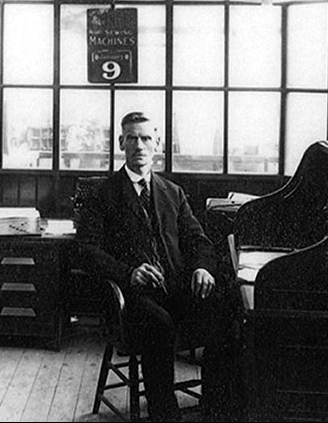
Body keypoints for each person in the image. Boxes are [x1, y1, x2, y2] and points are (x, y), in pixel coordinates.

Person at [77, 111, 233, 421]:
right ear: (121, 142)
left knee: (226, 309)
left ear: (157, 144)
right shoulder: (102, 194)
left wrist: (202, 268)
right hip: (130, 296)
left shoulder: (172, 193)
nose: (139, 145)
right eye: (132, 138)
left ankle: (217, 411)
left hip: (175, 287)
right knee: (159, 324)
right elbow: (86, 251)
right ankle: (165, 415)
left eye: (146, 138)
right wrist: (129, 273)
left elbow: (198, 241)